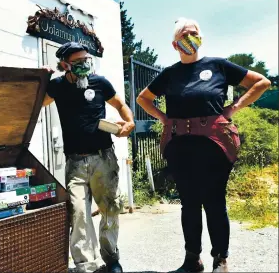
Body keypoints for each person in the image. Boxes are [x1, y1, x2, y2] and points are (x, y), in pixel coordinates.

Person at [136, 18, 271, 273]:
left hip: (214, 143)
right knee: (188, 202)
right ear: (175, 44)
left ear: (201, 38)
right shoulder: (170, 73)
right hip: (180, 145)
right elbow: (143, 98)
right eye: (184, 35)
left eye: (194, 33)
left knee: (214, 201)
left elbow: (261, 82)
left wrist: (234, 107)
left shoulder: (218, 66)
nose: (190, 37)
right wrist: (164, 118)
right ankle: (192, 260)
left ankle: (220, 260)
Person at [42, 42, 135, 273]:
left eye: (87, 59)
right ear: (65, 65)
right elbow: (35, 103)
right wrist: (40, 79)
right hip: (75, 162)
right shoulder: (57, 87)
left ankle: (112, 260)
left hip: (104, 158)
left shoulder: (100, 82)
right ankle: (85, 266)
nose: (85, 64)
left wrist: (130, 122)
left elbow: (120, 104)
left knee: (110, 208)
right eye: (78, 61)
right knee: (79, 214)